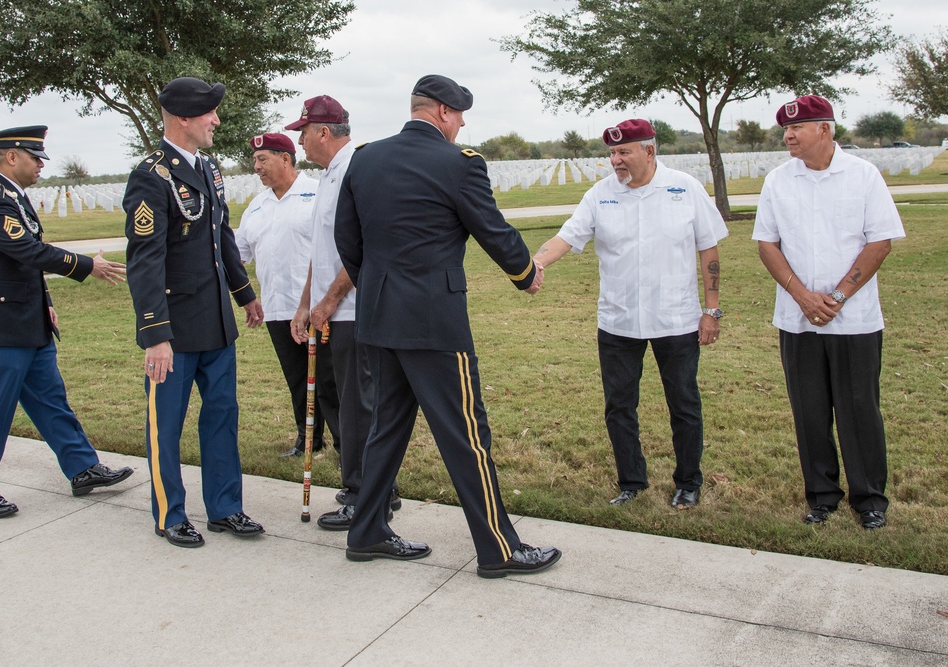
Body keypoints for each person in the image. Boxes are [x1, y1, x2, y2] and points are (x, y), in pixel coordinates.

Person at [334, 74, 560, 578]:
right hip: (433, 322)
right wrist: (525, 274)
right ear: (439, 112)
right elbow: (491, 228)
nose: (461, 125)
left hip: (378, 316)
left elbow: (347, 240)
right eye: (458, 115)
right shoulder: (459, 165)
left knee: (386, 429)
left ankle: (367, 529)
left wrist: (377, 284)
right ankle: (499, 549)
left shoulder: (365, 158)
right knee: (466, 435)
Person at [535, 119, 727, 510]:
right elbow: (567, 237)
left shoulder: (684, 188)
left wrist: (711, 310)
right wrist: (534, 264)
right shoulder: (600, 195)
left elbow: (709, 250)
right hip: (619, 321)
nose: (615, 160)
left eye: (624, 152)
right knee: (619, 406)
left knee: (684, 404)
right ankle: (631, 481)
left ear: (649, 151)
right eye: (611, 153)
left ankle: (688, 482)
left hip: (675, 318)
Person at [0, 125, 133, 518]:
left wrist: (47, 300)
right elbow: (28, 250)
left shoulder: (15, 198)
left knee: (53, 402)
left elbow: (23, 264)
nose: (41, 165)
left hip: (28, 320)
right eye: (35, 158)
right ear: (12, 157)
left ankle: (83, 469)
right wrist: (87, 266)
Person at [123, 77, 266, 548]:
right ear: (183, 117)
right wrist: (155, 335)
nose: (216, 121)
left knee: (223, 415)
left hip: (215, 321)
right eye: (209, 113)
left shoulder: (208, 166)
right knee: (166, 425)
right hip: (174, 329)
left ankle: (225, 508)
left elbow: (220, 236)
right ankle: (170, 513)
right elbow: (145, 260)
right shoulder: (151, 174)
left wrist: (244, 294)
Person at [752, 95, 904, 530]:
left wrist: (837, 297)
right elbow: (767, 244)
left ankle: (869, 498)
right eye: (785, 129)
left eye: (798, 128)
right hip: (797, 318)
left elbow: (880, 242)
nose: (789, 135)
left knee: (859, 408)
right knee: (810, 410)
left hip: (853, 320)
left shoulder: (863, 176)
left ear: (825, 129)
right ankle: (821, 496)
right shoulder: (778, 181)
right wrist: (802, 296)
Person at [286, 95, 399, 530]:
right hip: (332, 309)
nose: (300, 141)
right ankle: (377, 490)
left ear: (323, 132)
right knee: (351, 404)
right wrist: (305, 303)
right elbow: (324, 248)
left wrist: (330, 301)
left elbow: (366, 246)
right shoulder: (330, 175)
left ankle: (362, 495)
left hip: (354, 310)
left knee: (359, 409)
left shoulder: (358, 168)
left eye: (302, 132)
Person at [235, 132, 341, 458]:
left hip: (317, 309)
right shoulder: (257, 206)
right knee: (297, 380)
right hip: (277, 309)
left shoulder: (316, 193)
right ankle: (308, 439)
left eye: (262, 159)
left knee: (329, 380)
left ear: (286, 158)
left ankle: (345, 445)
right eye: (255, 161)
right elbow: (238, 255)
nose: (257, 167)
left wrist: (315, 304)